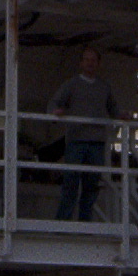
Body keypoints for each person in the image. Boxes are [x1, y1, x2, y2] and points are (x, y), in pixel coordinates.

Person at [48, 46, 119, 221]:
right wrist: (54, 112)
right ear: (81, 63)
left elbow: (113, 108)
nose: (90, 63)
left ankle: (85, 223)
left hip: (97, 142)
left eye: (93, 60)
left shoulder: (104, 87)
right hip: (76, 141)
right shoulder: (71, 84)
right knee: (70, 183)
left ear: (98, 63)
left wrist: (122, 115)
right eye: (87, 60)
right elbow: (55, 102)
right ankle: (62, 223)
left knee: (91, 185)